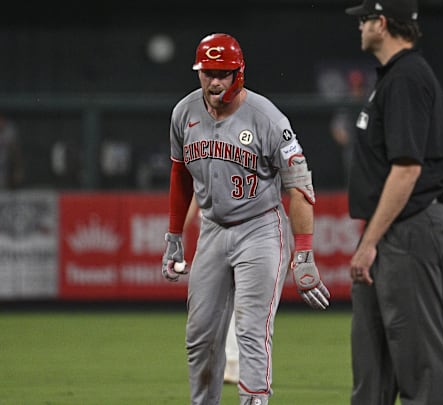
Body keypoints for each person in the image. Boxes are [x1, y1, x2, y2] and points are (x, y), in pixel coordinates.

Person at [161, 33, 331, 405]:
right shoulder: (184, 113)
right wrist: (174, 234)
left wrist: (303, 252)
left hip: (260, 229)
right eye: (208, 72)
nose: (215, 81)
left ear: (240, 72)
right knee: (200, 335)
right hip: (213, 229)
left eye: (224, 73)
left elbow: (299, 185)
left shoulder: (268, 117)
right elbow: (180, 174)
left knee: (251, 331)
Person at [343, 1, 443, 404]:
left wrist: (369, 241)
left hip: (407, 226)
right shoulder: (394, 77)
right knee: (372, 359)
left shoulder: (408, 76)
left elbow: (407, 169)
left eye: (364, 18)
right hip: (391, 228)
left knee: (419, 360)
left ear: (383, 23)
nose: (359, 25)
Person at [185, 196, 239, 385]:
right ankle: (227, 362)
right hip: (214, 226)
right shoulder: (205, 168)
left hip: (243, 226)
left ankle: (232, 363)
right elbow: (195, 189)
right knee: (222, 302)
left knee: (233, 301)